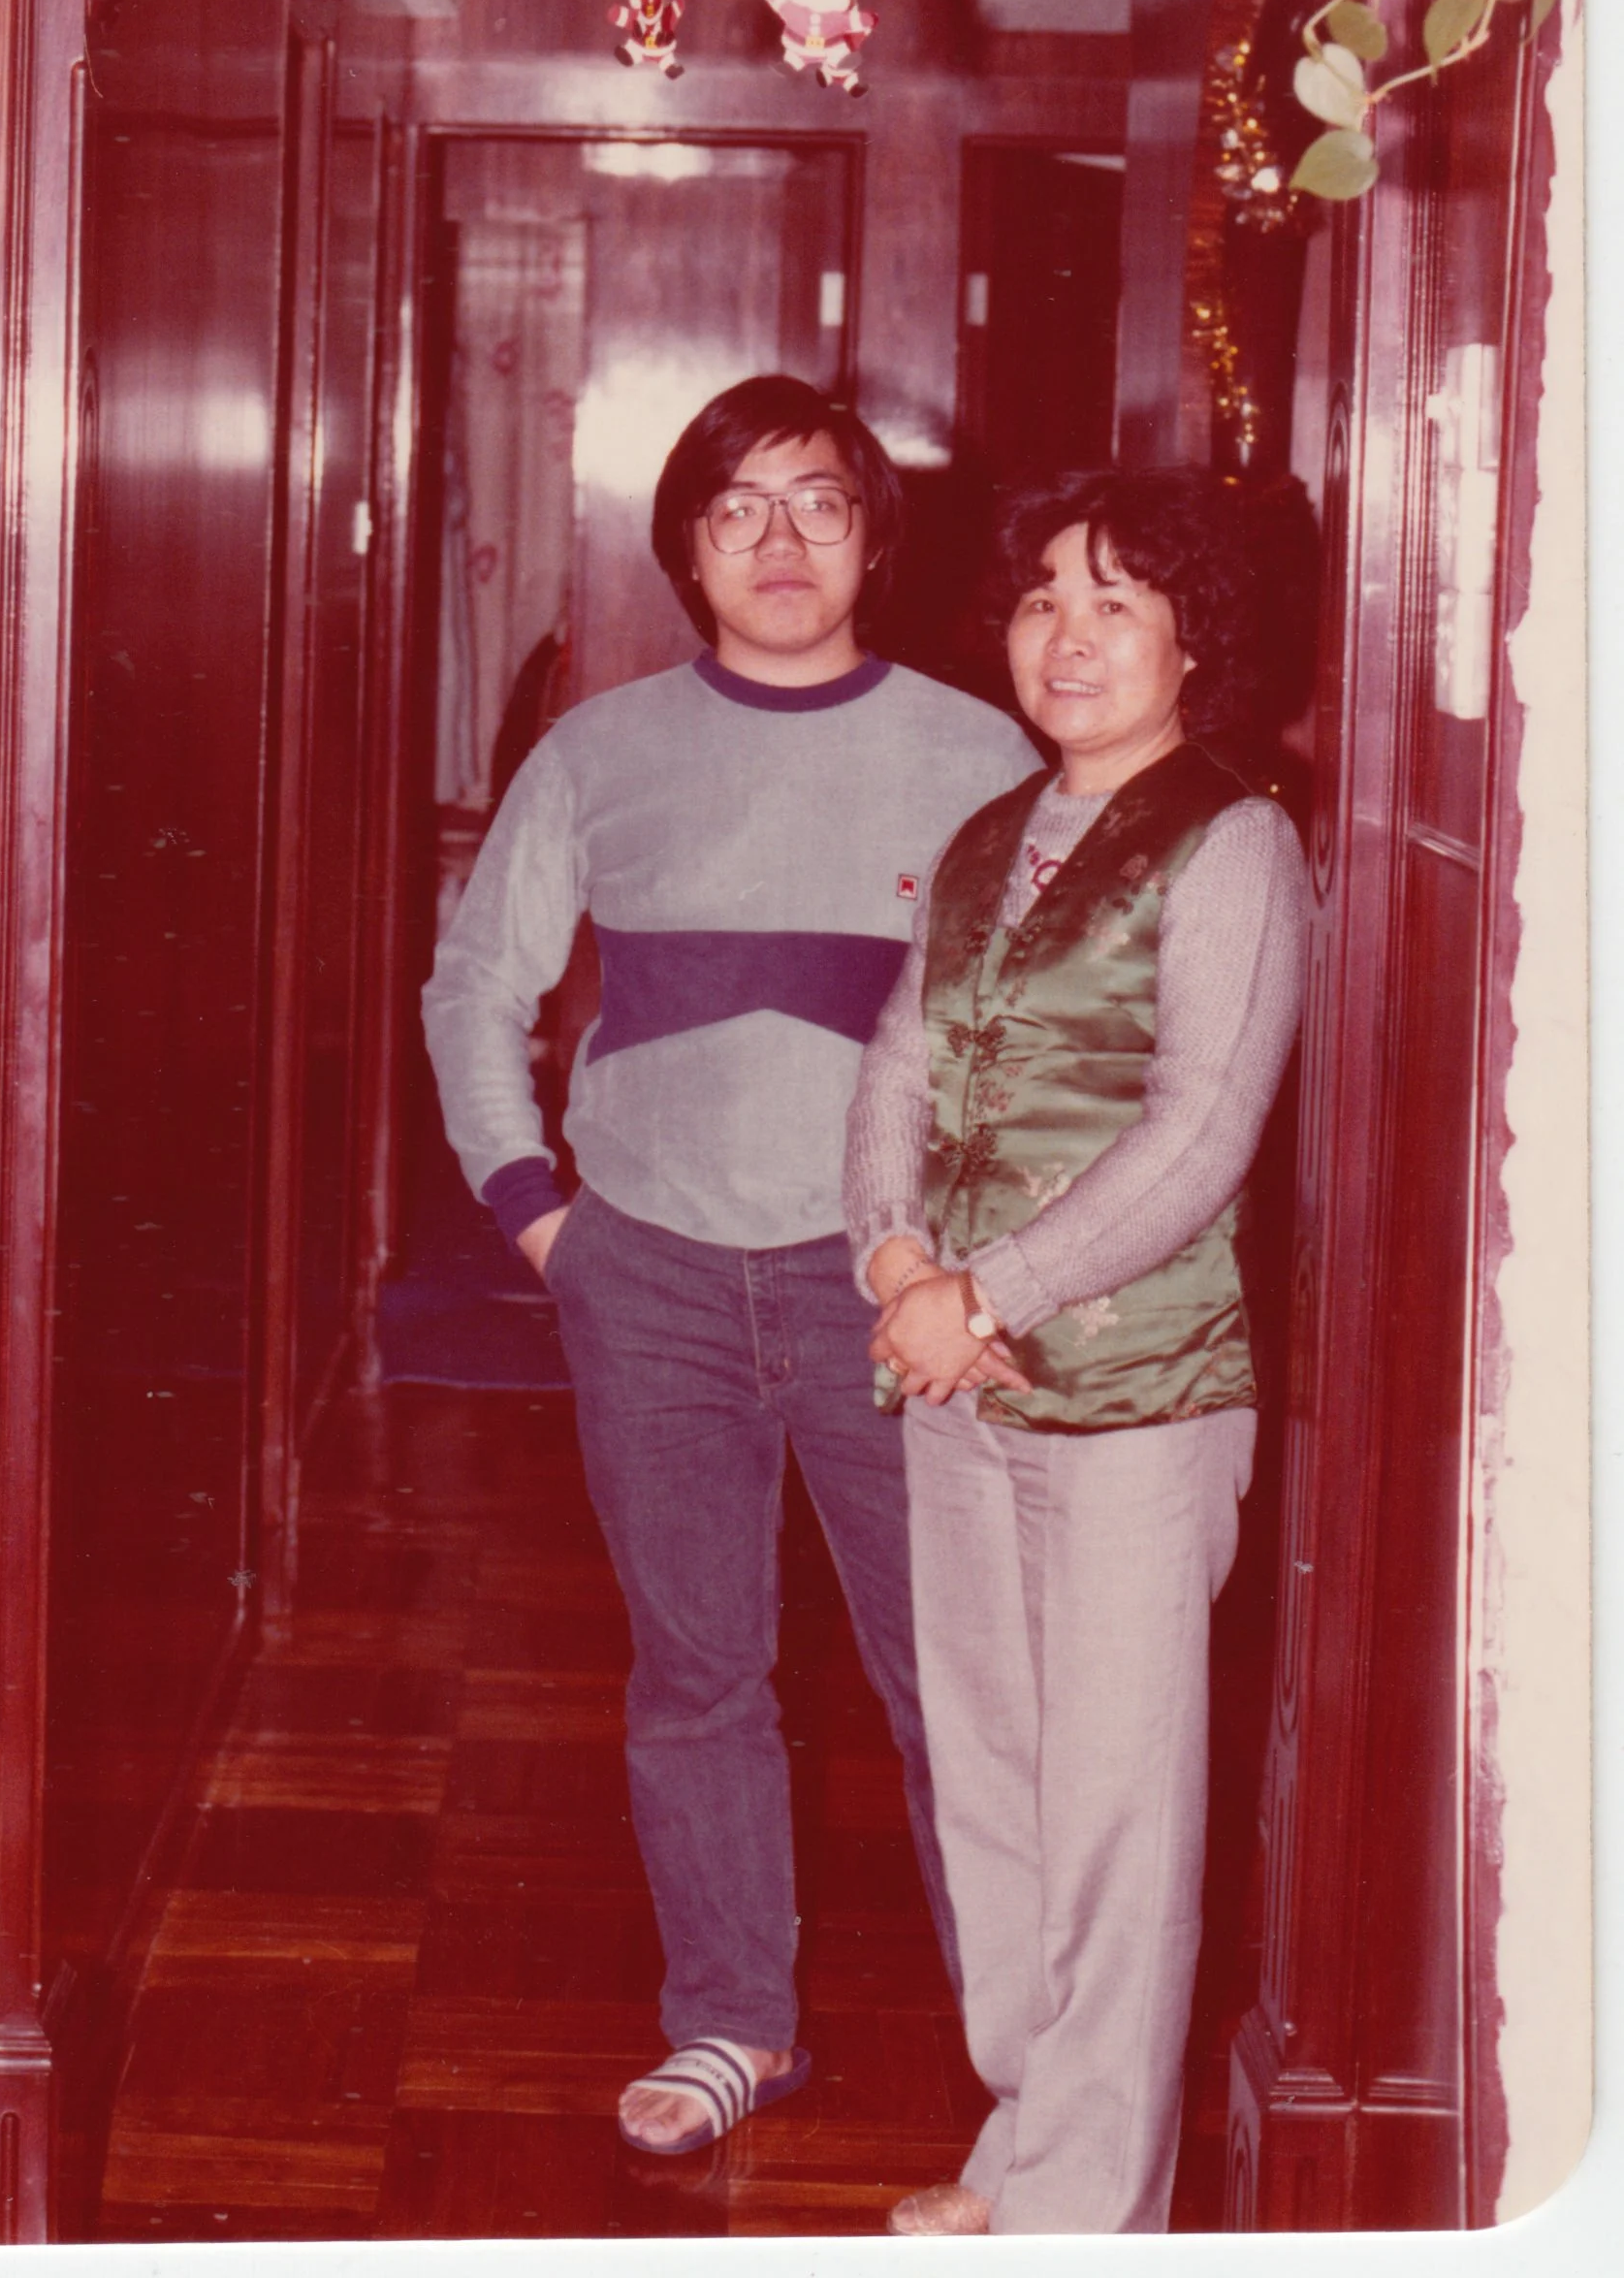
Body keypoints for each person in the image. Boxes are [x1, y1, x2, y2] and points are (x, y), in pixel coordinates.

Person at [422, 374, 1036, 2156]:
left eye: (821, 503)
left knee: (960, 1686)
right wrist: (535, 1206)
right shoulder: (600, 751)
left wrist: (969, 1268)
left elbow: (1044, 1038)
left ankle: (1031, 2055)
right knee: (699, 1672)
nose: (781, 542)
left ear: (873, 538)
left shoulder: (979, 751)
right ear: (687, 547)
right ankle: (730, 2023)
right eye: (739, 508)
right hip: (656, 1281)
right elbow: (479, 985)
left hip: (895, 1300)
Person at [844, 467, 1307, 2236]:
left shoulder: (1233, 840)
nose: (1070, 632)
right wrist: (891, 1248)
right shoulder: (992, 832)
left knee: (1118, 1823)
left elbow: (1199, 1138)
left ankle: (1089, 2218)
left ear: (1197, 638)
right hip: (954, 1382)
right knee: (1003, 1786)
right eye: (1045, 596)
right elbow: (898, 1057)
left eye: (1117, 598)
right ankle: (1023, 2142)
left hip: (1135, 1397)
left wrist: (987, 1290)